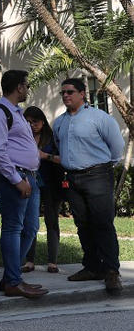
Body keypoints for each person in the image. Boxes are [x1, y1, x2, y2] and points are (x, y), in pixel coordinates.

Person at [53, 78, 125, 295]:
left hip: (98, 176)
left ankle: (111, 271)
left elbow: (117, 147)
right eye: (63, 93)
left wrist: (103, 167)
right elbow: (59, 145)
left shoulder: (99, 118)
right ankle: (93, 267)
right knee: (83, 224)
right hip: (72, 179)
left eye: (70, 92)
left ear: (82, 94)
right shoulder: (59, 122)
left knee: (102, 223)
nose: (66, 95)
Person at [0, 70, 47, 299]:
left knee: (31, 228)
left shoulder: (17, 112)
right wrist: (16, 180)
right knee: (13, 227)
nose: (28, 89)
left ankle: (11, 277)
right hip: (14, 177)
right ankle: (13, 281)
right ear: (19, 87)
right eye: (26, 85)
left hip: (29, 176)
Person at [22, 106, 64, 275]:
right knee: (30, 223)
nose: (32, 125)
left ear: (43, 121)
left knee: (51, 221)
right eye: (28, 122)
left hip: (50, 184)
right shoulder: (21, 138)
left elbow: (64, 159)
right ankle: (29, 260)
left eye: (35, 121)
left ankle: (52, 262)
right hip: (29, 183)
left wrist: (45, 156)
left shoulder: (52, 138)